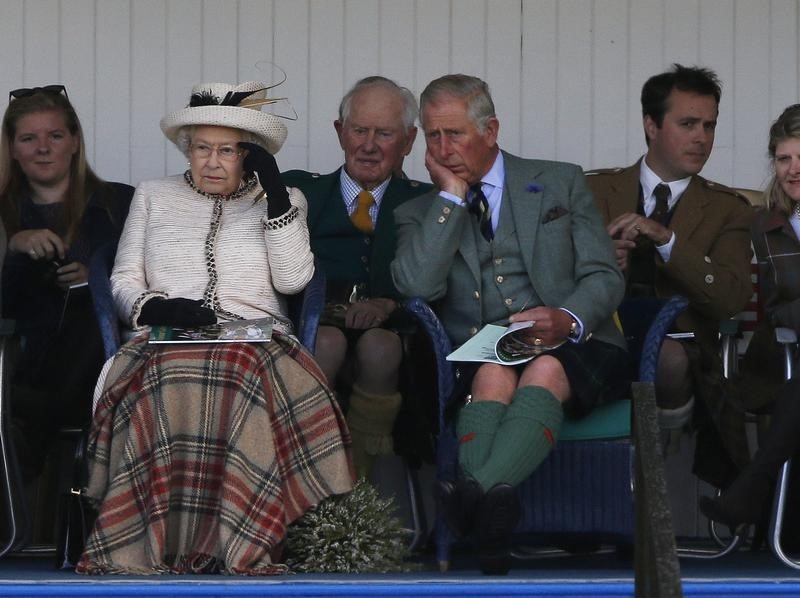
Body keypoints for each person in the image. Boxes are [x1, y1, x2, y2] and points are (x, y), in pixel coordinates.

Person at [76, 81, 353, 575]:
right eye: (202, 148)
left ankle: (242, 542)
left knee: (240, 375)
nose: (211, 161)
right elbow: (120, 279)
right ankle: (155, 542)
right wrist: (155, 308)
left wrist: (273, 199)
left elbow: (295, 279)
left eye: (226, 151)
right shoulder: (153, 196)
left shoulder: (284, 199)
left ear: (249, 155)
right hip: (165, 343)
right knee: (165, 379)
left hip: (257, 343)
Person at [390, 74, 629, 574]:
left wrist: (566, 318)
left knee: (544, 372)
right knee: (492, 375)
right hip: (484, 351)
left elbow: (603, 275)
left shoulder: (559, 180)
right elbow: (415, 287)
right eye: (432, 136)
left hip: (571, 341)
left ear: (491, 130)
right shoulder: (420, 211)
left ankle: (472, 503)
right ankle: (493, 520)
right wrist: (451, 198)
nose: (441, 147)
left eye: (454, 133)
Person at [586, 64, 754, 489]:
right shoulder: (592, 191)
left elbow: (732, 298)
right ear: (651, 125)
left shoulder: (728, 210)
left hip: (681, 357)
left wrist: (667, 240)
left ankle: (641, 495)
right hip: (594, 339)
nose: (702, 137)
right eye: (688, 123)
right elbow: (552, 279)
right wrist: (600, 264)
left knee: (669, 359)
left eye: (710, 125)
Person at [282, 76, 432, 478]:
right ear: (340, 132)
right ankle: (312, 478)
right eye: (359, 130)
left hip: (398, 340)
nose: (368, 145)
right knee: (326, 341)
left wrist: (390, 305)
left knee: (381, 348)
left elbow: (441, 282)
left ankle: (358, 489)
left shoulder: (427, 202)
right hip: (312, 328)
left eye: (383, 133)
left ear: (408, 141)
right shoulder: (299, 193)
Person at [0, 85, 133, 482]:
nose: (43, 148)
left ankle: (28, 445)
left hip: (103, 358)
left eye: (55, 136)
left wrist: (98, 278)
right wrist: (14, 248)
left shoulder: (119, 203)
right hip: (21, 355)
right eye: (28, 138)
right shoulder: (3, 215)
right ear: (11, 148)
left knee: (95, 323)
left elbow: (148, 281)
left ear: (74, 142)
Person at [700, 104, 800, 529]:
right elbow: (769, 307)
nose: (794, 169)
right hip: (781, 361)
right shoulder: (760, 226)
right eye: (784, 159)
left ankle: (750, 492)